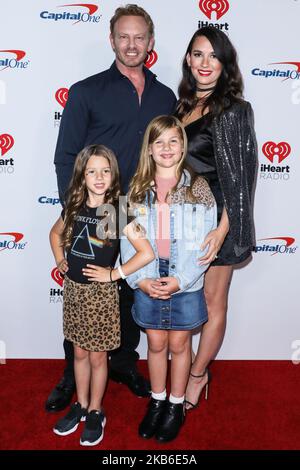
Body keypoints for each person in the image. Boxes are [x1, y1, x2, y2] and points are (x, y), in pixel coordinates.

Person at [46, 4, 176, 412]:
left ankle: (122, 363)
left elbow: (169, 153)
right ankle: (73, 372)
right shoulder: (86, 91)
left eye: (140, 37)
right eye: (124, 36)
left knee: (125, 291)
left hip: (140, 210)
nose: (132, 44)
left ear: (150, 42)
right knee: (86, 289)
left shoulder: (164, 95)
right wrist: (77, 213)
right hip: (97, 211)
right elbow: (66, 156)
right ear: (112, 40)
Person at [172, 26, 257, 410]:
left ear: (225, 63)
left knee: (212, 299)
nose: (205, 63)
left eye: (213, 55)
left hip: (217, 219)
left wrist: (223, 230)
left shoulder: (234, 109)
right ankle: (180, 370)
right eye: (197, 54)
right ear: (188, 60)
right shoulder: (180, 106)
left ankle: (197, 374)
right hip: (181, 220)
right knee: (187, 300)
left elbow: (242, 176)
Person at [50, 144, 154, 446]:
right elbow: (54, 234)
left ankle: (96, 410)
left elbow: (145, 252)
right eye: (92, 171)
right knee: (79, 353)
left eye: (105, 171)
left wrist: (114, 274)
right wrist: (60, 259)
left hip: (101, 297)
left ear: (113, 175)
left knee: (97, 357)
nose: (99, 177)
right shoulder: (73, 205)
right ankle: (80, 405)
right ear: (82, 175)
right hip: (74, 293)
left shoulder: (115, 210)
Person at [121, 115, 217, 442]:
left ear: (182, 146)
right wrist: (141, 280)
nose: (166, 148)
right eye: (159, 142)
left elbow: (206, 245)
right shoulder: (133, 189)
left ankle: (176, 405)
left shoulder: (199, 188)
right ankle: (157, 400)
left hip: (185, 279)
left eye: (173, 141)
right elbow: (126, 240)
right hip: (148, 275)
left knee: (179, 342)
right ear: (149, 149)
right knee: (156, 342)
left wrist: (182, 280)